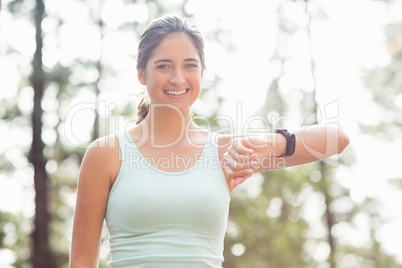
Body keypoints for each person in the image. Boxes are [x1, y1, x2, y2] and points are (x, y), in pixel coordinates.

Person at [69, 16, 349, 268]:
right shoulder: (106, 154)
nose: (178, 78)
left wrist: (270, 144)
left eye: (189, 65)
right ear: (141, 73)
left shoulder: (225, 152)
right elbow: (81, 263)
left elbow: (337, 140)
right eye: (164, 66)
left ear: (202, 72)